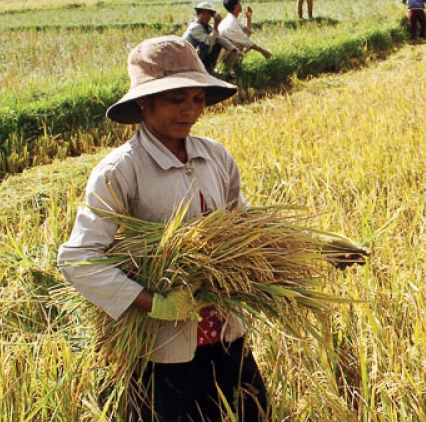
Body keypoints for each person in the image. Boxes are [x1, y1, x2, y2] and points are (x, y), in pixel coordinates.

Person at [57, 36, 268, 422]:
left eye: (198, 98)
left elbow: (244, 224)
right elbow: (79, 260)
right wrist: (156, 304)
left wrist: (316, 247)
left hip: (225, 334)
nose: (190, 110)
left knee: (252, 412)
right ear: (143, 103)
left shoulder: (215, 156)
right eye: (176, 99)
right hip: (161, 351)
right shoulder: (121, 171)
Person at [182, 2, 240, 74]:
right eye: (203, 13)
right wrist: (216, 25)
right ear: (198, 14)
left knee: (217, 43)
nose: (206, 16)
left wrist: (234, 48)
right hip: (186, 57)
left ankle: (208, 68)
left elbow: (219, 39)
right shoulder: (195, 27)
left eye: (208, 14)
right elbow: (208, 41)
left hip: (196, 55)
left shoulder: (208, 27)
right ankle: (198, 69)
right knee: (205, 45)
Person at [218, 0, 272, 76]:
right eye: (240, 3)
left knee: (243, 43)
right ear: (236, 6)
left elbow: (245, 34)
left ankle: (235, 67)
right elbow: (245, 40)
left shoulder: (232, 19)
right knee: (240, 43)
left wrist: (249, 17)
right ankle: (229, 68)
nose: (241, 4)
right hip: (224, 54)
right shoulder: (231, 23)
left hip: (226, 51)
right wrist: (263, 51)